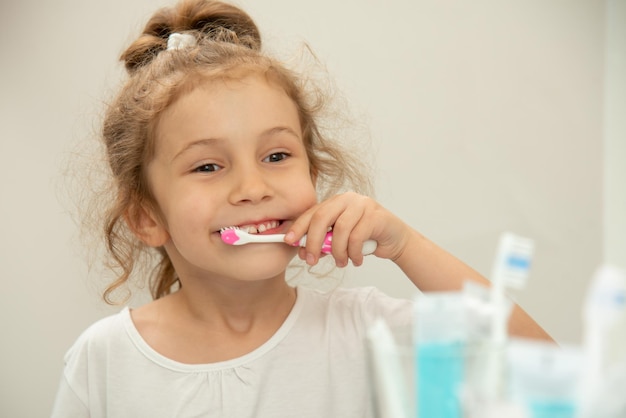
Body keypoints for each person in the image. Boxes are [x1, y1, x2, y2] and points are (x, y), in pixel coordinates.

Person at [51, 0, 552, 416]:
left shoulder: (366, 330)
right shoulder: (105, 360)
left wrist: (407, 246)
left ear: (312, 176)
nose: (253, 187)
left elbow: (545, 371)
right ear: (146, 217)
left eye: (276, 156)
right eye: (207, 166)